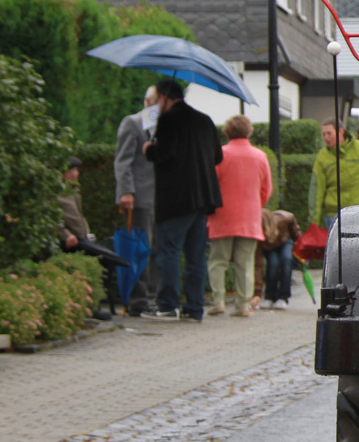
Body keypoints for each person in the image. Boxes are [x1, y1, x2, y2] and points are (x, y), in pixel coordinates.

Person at [143, 78, 222, 322]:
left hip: (175, 198)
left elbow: (165, 153)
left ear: (165, 98)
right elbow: (217, 156)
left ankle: (167, 305)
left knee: (168, 251)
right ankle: (194, 307)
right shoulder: (204, 120)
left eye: (156, 99)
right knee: (196, 255)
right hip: (202, 198)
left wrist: (149, 149)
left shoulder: (168, 120)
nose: (155, 104)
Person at [206, 115, 271, 317]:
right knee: (245, 263)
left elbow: (211, 184)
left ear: (226, 132)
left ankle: (218, 300)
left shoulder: (219, 154)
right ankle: (243, 304)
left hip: (222, 214)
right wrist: (255, 205)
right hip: (249, 216)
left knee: (218, 261)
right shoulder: (260, 156)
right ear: (249, 131)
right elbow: (266, 189)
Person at [113, 85, 160, 315]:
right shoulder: (132, 123)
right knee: (141, 248)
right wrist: (126, 192)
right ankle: (138, 300)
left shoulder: (163, 127)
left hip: (160, 197)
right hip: (140, 196)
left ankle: (153, 296)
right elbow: (123, 160)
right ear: (149, 102)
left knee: (157, 248)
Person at [56, 158, 115, 321]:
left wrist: (88, 233)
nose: (77, 174)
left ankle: (96, 301)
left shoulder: (73, 190)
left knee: (108, 259)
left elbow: (79, 217)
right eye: (73, 171)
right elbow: (53, 219)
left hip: (82, 238)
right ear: (63, 174)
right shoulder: (56, 192)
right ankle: (91, 306)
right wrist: (66, 235)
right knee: (98, 261)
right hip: (68, 242)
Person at [309, 118, 359, 230]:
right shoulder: (322, 156)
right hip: (334, 215)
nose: (325, 138)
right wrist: (314, 220)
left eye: (329, 133)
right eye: (323, 134)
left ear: (341, 132)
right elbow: (317, 189)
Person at [261, 207, 300, 309]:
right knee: (273, 264)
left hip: (285, 241)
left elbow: (297, 234)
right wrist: (257, 292)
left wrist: (301, 249)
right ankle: (270, 296)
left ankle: (283, 297)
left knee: (286, 259)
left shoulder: (285, 218)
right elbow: (257, 264)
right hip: (269, 246)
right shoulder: (259, 231)